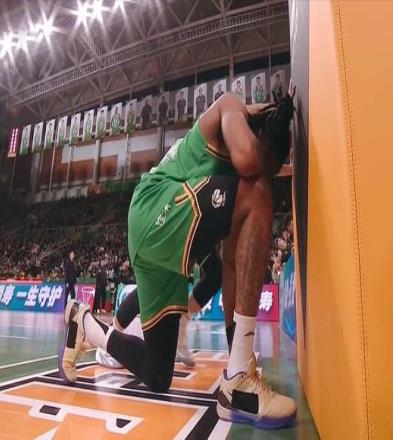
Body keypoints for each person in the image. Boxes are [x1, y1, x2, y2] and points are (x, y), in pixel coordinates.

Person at [60, 82, 297, 428]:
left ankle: (86, 326)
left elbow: (233, 263)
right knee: (259, 191)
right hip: (155, 207)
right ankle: (238, 380)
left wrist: (288, 166)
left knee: (158, 375)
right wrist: (270, 131)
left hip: (161, 245)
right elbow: (251, 160)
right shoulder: (230, 105)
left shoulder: (243, 161)